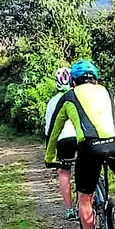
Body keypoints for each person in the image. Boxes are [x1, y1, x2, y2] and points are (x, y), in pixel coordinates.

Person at [44, 59, 115, 229]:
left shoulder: (69, 97)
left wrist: (50, 157)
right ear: (95, 79)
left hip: (90, 147)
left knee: (85, 197)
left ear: (74, 82)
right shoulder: (108, 92)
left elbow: (55, 130)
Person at [44, 67, 78, 220]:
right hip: (82, 137)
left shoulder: (52, 102)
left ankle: (70, 210)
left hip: (63, 139)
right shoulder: (78, 95)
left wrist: (49, 150)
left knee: (64, 172)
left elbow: (49, 129)